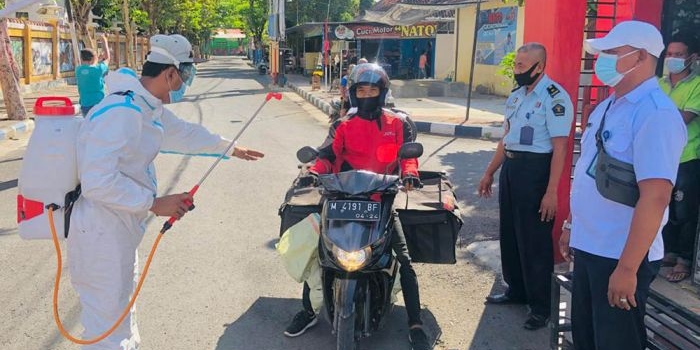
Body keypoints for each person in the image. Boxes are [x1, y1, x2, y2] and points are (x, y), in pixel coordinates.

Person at [67, 34, 264, 350]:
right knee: (107, 329)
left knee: (120, 313)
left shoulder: (146, 106)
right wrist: (154, 203)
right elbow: (97, 181)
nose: (184, 83)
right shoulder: (124, 110)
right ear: (170, 73)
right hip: (101, 232)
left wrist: (230, 148)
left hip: (120, 226)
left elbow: (184, 133)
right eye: (184, 75)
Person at [284, 63, 431, 350]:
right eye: (361, 90)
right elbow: (326, 155)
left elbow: (408, 157)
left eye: (372, 90)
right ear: (352, 93)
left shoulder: (397, 124)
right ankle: (309, 310)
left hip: (380, 203)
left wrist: (411, 173)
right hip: (341, 201)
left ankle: (415, 324)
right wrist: (313, 170)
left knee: (404, 260)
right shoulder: (343, 125)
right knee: (318, 254)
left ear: (382, 92)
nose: (366, 95)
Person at [560, 21, 686, 349]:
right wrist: (573, 225)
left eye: (611, 53)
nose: (602, 60)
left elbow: (656, 196)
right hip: (591, 246)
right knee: (587, 339)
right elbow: (589, 171)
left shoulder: (655, 114)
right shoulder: (609, 106)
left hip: (620, 255)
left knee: (617, 342)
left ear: (640, 56)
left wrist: (628, 268)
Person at [478, 42, 573, 330]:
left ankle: (541, 307)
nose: (517, 70)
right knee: (510, 233)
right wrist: (489, 172)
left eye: (522, 66)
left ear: (539, 67)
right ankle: (516, 290)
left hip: (536, 171)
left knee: (534, 240)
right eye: (516, 64)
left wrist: (551, 192)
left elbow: (560, 148)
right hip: (512, 167)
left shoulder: (555, 97)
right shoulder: (517, 96)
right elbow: (505, 139)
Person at [659, 33, 700, 283]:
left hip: (687, 156)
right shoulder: (658, 84)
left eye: (678, 55)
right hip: (662, 155)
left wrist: (658, 114)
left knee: (684, 208)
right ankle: (668, 251)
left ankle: (684, 259)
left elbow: (684, 118)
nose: (672, 59)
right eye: (669, 54)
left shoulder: (696, 85)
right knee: (664, 203)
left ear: (692, 58)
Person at [76, 34, 111, 117]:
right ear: (93, 59)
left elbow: (90, 66)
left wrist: (97, 58)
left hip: (85, 105)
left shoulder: (78, 70)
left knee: (88, 126)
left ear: (81, 59)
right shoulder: (98, 69)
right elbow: (107, 58)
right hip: (98, 104)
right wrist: (104, 40)